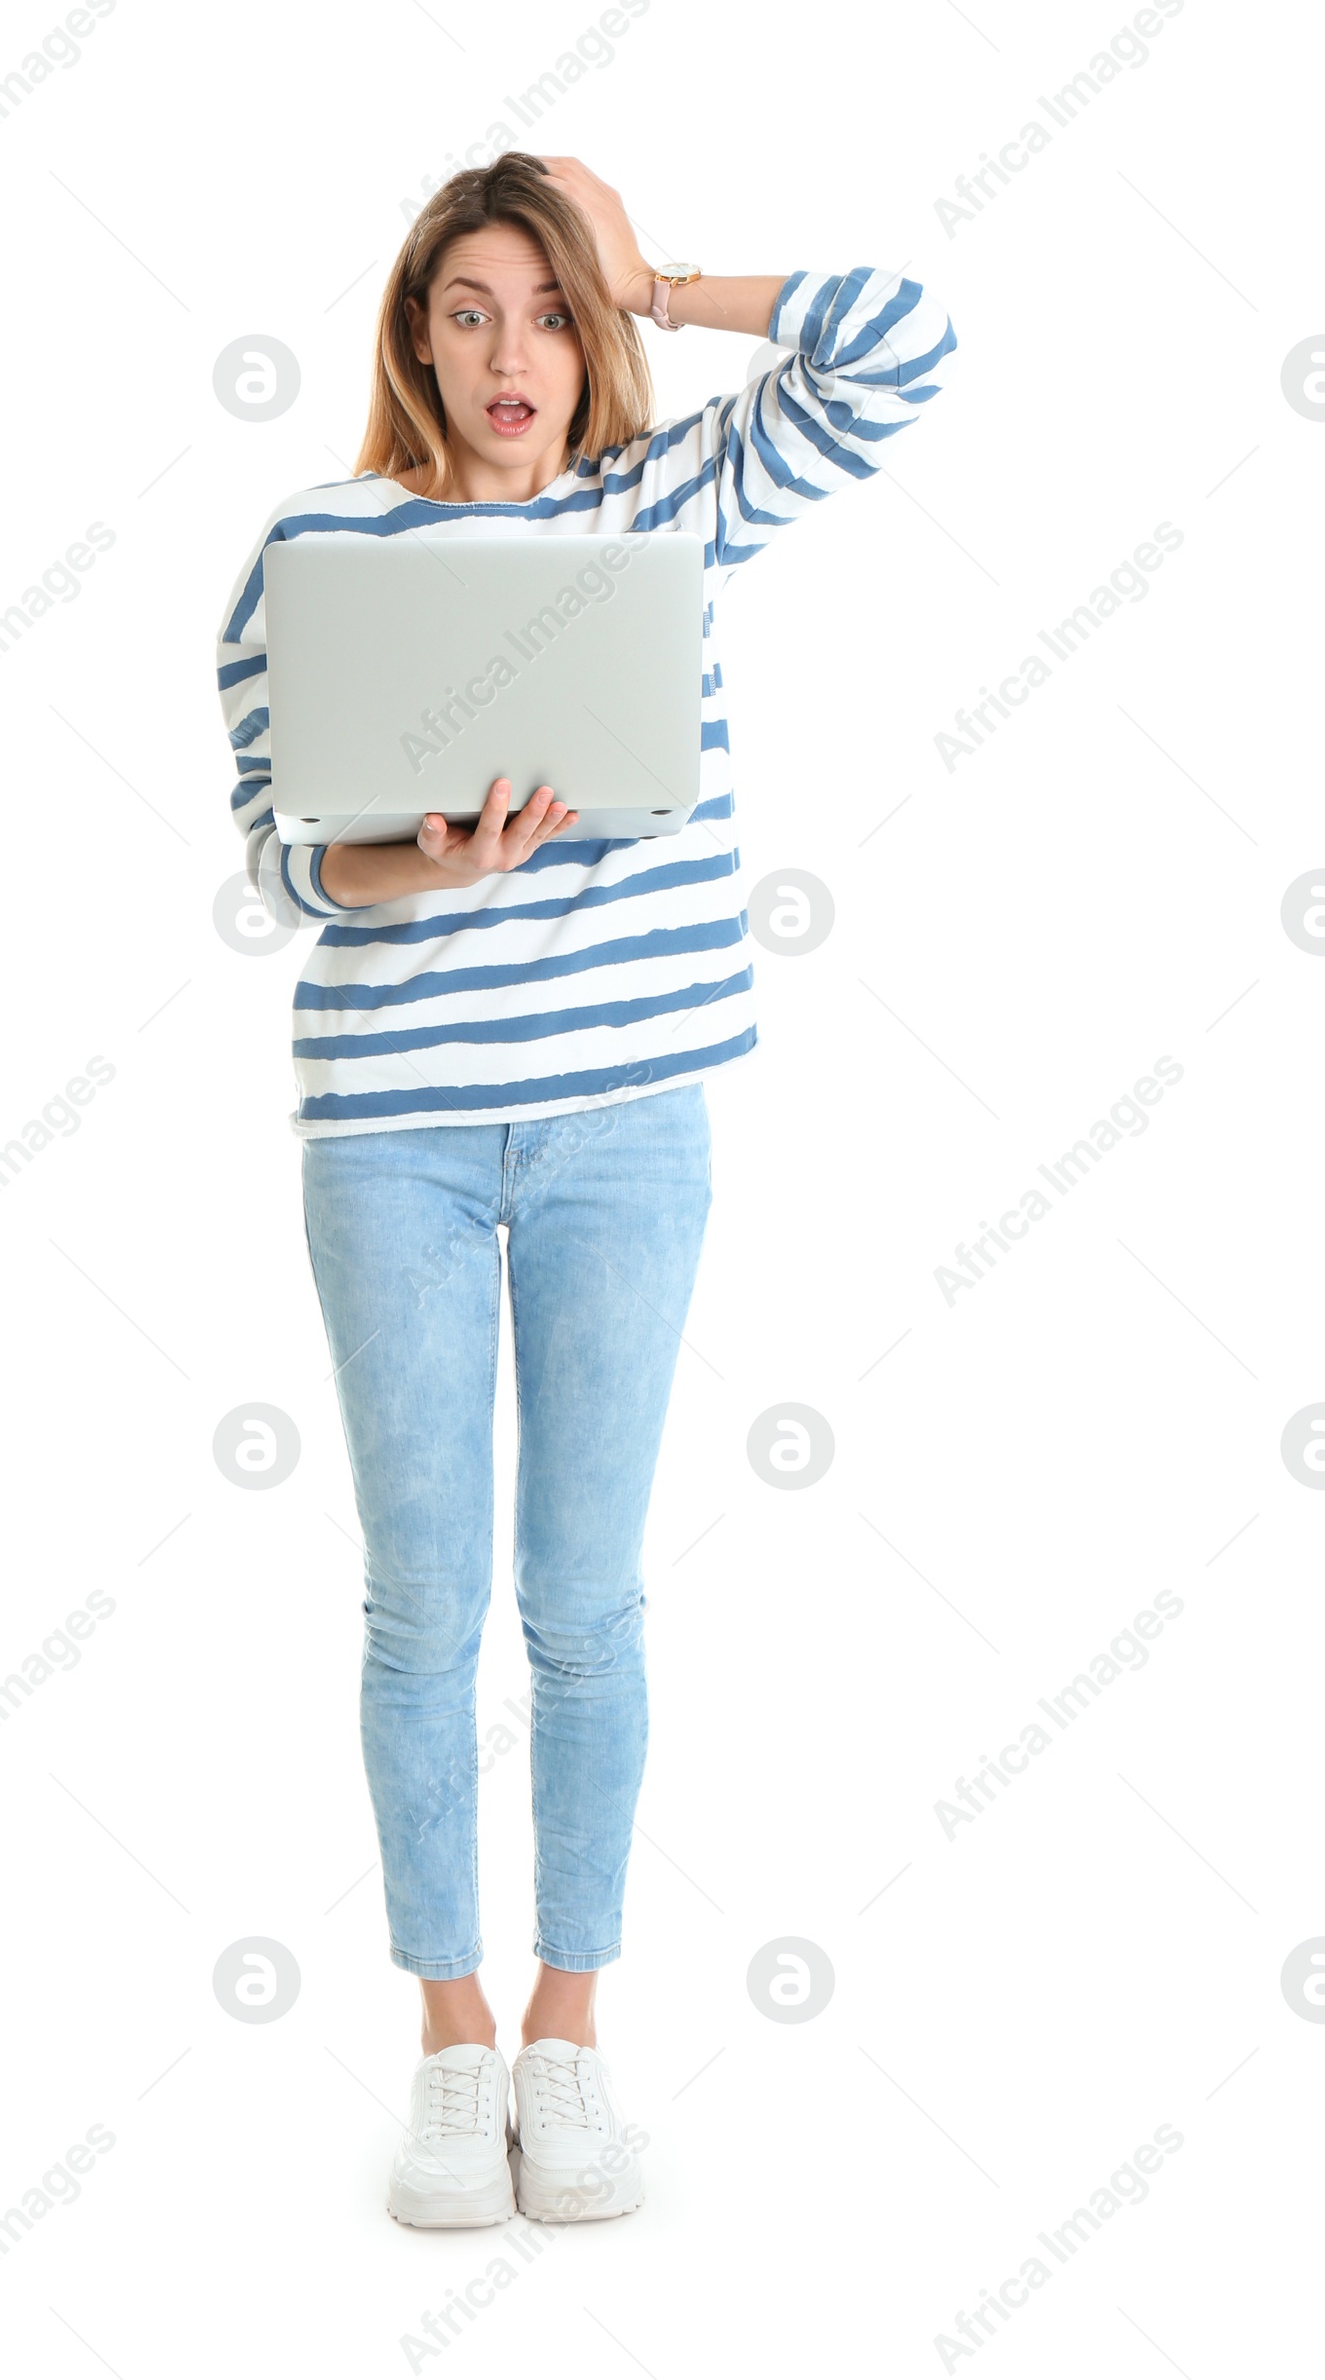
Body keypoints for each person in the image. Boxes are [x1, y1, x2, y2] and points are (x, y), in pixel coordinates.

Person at [216, 152, 955, 2226]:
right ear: (409, 338)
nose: (510, 352)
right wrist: (410, 862)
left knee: (584, 1604)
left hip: (628, 1127)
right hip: (396, 1141)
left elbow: (902, 345)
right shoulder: (318, 544)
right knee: (420, 1602)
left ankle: (569, 2033)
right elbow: (277, 852)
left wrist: (665, 271)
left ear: (589, 332)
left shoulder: (657, 508)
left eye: (548, 310)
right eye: (467, 309)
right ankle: (450, 2045)